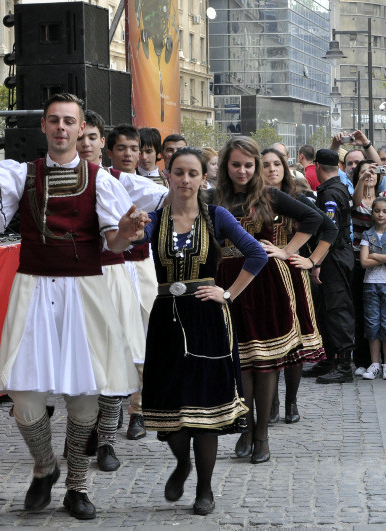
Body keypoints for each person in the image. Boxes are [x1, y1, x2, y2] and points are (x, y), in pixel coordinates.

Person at [0, 94, 147, 519]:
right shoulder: (22, 174)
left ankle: (78, 485)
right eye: (54, 121)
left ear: (82, 129)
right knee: (26, 397)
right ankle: (45, 466)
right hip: (33, 290)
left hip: (85, 292)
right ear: (44, 128)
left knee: (85, 399)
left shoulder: (102, 180)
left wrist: (126, 230)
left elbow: (118, 243)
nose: (62, 128)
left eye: (69, 122)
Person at [139, 147, 267, 515]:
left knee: (205, 409)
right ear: (168, 176)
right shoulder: (154, 219)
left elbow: (256, 254)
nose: (185, 180)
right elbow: (125, 245)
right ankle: (182, 462)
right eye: (178, 172)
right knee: (171, 408)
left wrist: (227, 293)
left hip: (208, 319)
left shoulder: (216, 216)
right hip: (166, 318)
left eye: (192, 173)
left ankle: (205, 489)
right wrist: (127, 231)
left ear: (203, 178)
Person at [213, 136, 322, 464]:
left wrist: (287, 251)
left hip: (265, 281)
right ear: (225, 166)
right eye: (236, 165)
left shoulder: (270, 195)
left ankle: (262, 435)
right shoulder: (214, 197)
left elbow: (316, 220)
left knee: (265, 361)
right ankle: (245, 430)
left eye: (249, 165)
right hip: (227, 281)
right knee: (240, 361)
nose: (243, 171)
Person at [81, 116, 170, 463]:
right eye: (125, 148)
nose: (85, 144)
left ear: (99, 142)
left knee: (135, 341)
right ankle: (90, 427)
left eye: (91, 137)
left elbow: (171, 198)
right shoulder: (50, 178)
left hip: (122, 268)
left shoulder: (119, 181)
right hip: (77, 275)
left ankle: (132, 412)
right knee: (85, 356)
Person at [261, 147, 336, 421]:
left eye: (276, 164)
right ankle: (272, 401)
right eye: (265, 165)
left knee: (295, 342)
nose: (271, 169)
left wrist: (313, 260)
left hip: (292, 274)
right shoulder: (252, 200)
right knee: (268, 340)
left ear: (284, 167)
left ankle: (291, 401)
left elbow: (330, 228)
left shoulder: (299, 199)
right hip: (260, 274)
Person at [300, 149, 356, 384]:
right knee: (327, 308)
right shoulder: (338, 187)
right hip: (336, 254)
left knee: (337, 307)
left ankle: (343, 364)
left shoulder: (330, 193)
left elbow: (329, 231)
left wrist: (317, 262)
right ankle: (330, 357)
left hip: (334, 256)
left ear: (318, 167)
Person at [359, 196, 386, 380]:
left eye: (385, 211)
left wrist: (375, 254)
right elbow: (363, 262)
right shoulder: (367, 235)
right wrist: (385, 255)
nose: (381, 214)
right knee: (372, 323)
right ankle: (375, 363)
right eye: (377, 211)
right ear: (372, 213)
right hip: (370, 283)